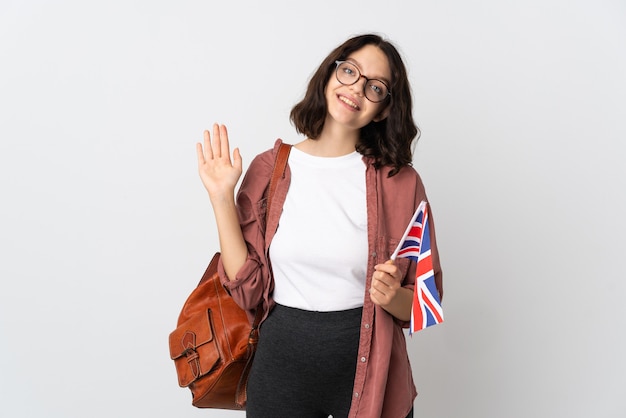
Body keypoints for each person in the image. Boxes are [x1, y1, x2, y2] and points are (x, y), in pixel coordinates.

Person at [196, 33, 443, 418]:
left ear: (382, 109)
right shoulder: (269, 169)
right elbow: (247, 291)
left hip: (372, 373)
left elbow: (424, 304)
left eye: (374, 87)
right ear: (330, 75)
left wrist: (391, 295)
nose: (356, 89)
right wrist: (221, 198)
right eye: (349, 71)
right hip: (281, 370)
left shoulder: (402, 183)